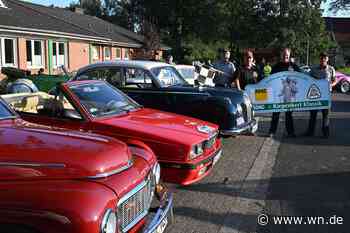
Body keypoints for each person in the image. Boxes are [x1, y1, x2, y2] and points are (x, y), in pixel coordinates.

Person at [269, 48, 301, 137]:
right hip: (278, 94)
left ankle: (290, 132)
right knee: (275, 113)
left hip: (289, 95)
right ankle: (272, 131)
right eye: (283, 54)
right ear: (281, 55)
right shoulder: (276, 66)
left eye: (287, 54)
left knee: (289, 115)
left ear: (289, 55)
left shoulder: (294, 66)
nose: (285, 56)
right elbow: (270, 79)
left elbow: (301, 77)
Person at [304, 52, 336, 138]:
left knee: (325, 115)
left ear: (327, 59)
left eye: (325, 58)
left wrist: (331, 85)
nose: (323, 60)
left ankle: (325, 133)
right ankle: (310, 132)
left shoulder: (331, 69)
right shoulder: (314, 69)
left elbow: (334, 80)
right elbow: (308, 78)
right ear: (320, 59)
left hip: (326, 95)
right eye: (321, 58)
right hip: (315, 95)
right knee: (313, 114)